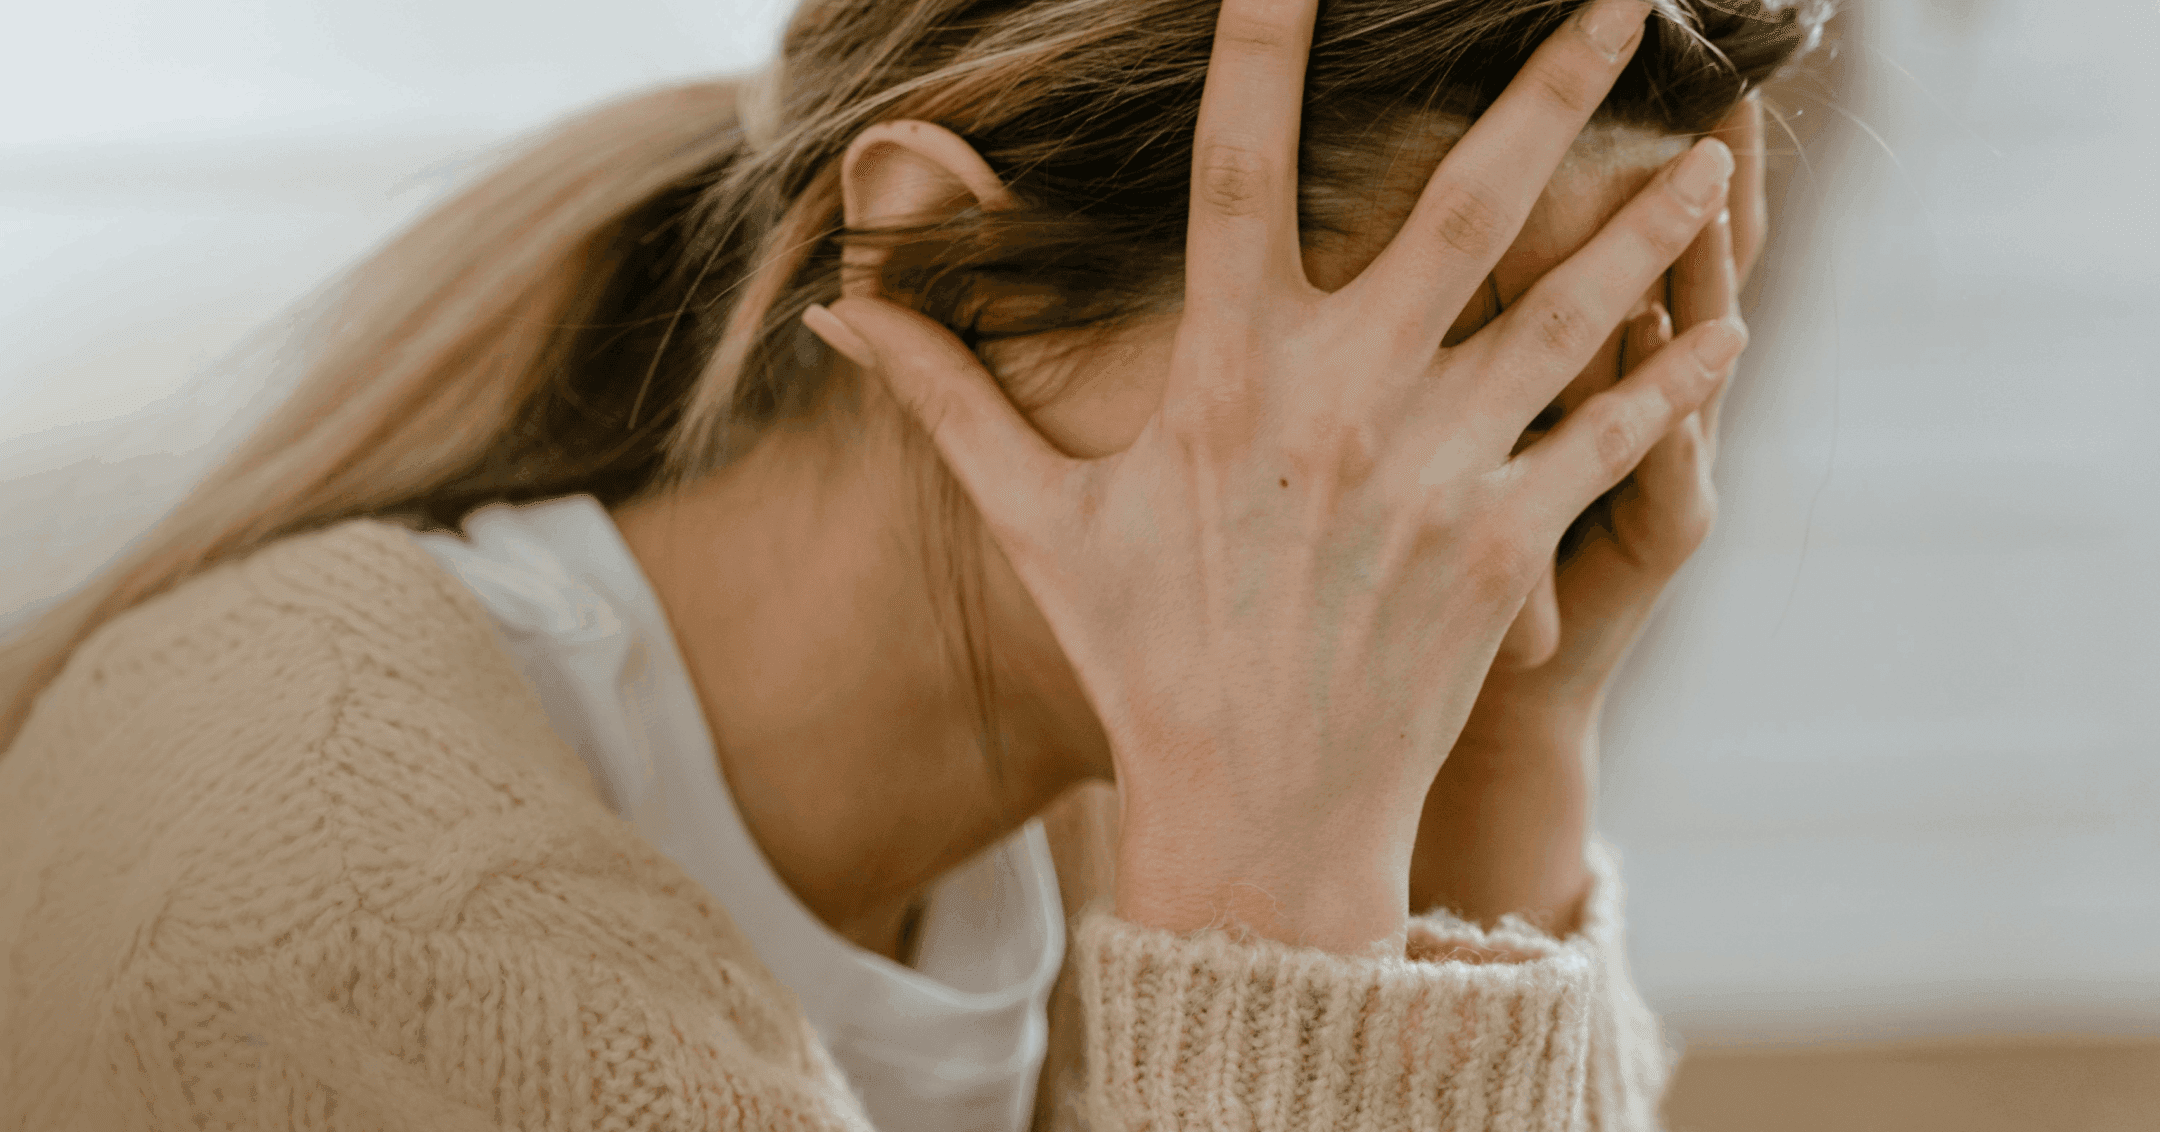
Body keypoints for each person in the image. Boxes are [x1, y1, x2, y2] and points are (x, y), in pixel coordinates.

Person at [0, 0, 1823, 1128]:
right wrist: (1272, 934)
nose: (1491, 556)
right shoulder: (345, 930)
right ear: (955, 266)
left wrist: (1506, 755)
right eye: (1418, 398)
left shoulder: (1097, 830)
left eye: (1578, 417)